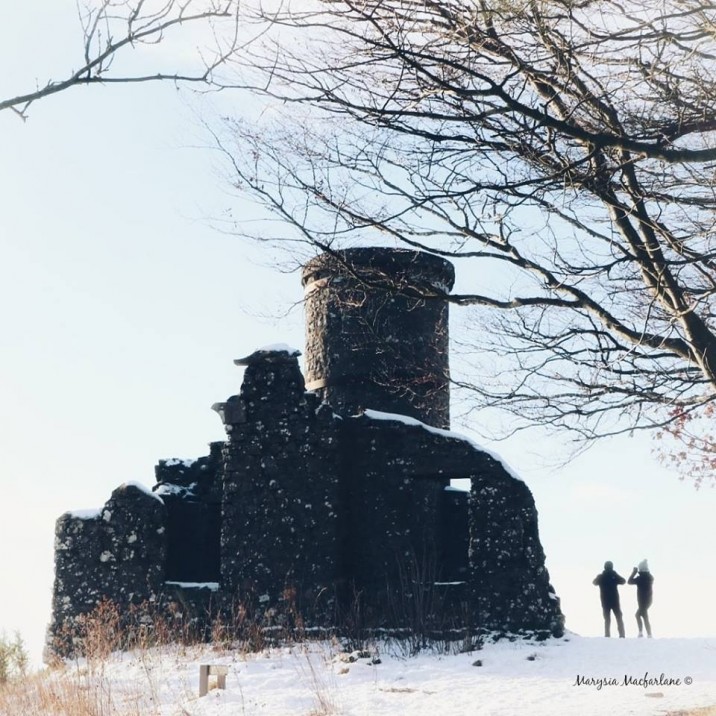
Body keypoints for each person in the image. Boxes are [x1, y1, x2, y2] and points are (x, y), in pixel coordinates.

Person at [593, 561, 626, 637]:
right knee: (619, 618)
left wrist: (600, 576)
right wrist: (614, 574)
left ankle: (607, 635)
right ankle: (622, 635)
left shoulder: (601, 577)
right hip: (615, 601)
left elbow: (594, 582)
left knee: (607, 619)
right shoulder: (613, 575)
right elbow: (623, 581)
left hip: (605, 601)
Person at [628, 559, 654, 638]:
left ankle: (645, 633)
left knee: (641, 615)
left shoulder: (641, 578)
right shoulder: (649, 577)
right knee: (641, 615)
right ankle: (646, 633)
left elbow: (629, 581)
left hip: (643, 601)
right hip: (648, 600)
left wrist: (634, 572)